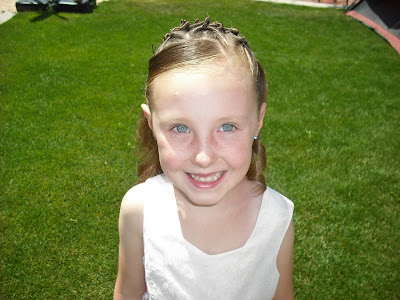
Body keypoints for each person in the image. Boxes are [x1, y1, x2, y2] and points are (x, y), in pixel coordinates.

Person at [114, 18, 294, 300]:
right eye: (181, 128)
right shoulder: (139, 210)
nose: (203, 157)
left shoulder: (277, 217)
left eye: (227, 127)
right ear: (152, 124)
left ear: (258, 120)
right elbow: (127, 292)